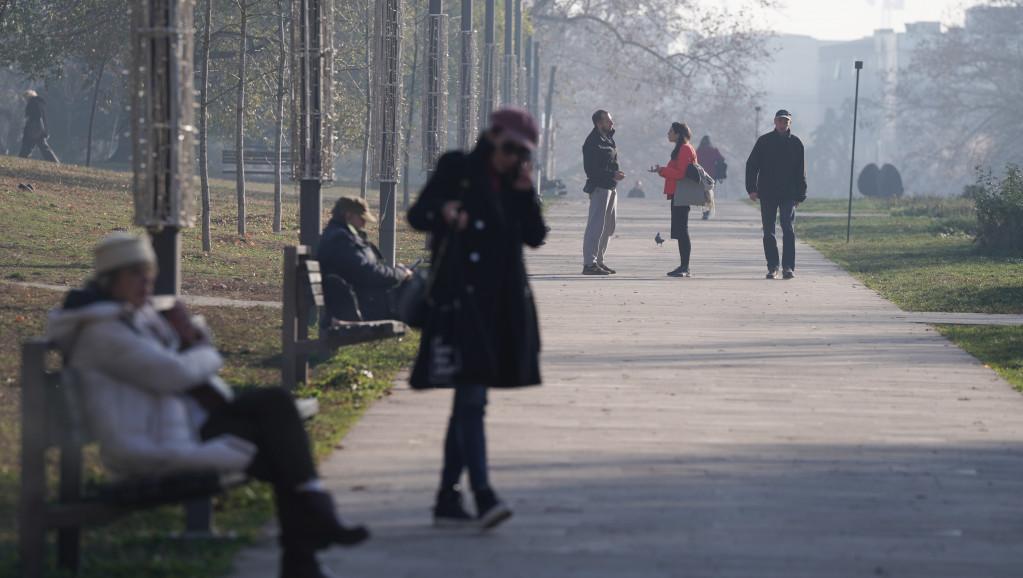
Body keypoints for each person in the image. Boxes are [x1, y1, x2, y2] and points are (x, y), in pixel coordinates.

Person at [47, 233, 367, 578]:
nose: (146, 281)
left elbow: (179, 360)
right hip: (152, 446)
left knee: (275, 406)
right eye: (134, 273)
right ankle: (308, 538)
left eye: (149, 272)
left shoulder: (132, 317)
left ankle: (309, 528)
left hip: (182, 426)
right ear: (109, 280)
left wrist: (191, 339)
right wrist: (205, 351)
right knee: (278, 445)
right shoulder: (103, 332)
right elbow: (173, 374)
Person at [407, 107, 545, 530]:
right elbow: (417, 215)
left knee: (466, 404)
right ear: (492, 135)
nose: (511, 158)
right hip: (460, 304)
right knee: (471, 400)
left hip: (502, 308)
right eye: (508, 148)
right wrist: (445, 211)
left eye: (521, 154)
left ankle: (447, 498)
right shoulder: (458, 168)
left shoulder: (514, 183)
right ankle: (483, 495)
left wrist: (525, 193)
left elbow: (535, 238)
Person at [316, 196, 413, 323]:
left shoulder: (339, 236)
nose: (364, 224)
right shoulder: (341, 240)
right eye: (362, 219)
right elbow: (368, 272)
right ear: (349, 216)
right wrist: (400, 273)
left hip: (365, 303)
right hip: (365, 309)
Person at [745, 109, 807, 280]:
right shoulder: (764, 142)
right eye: (780, 121)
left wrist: (801, 194)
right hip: (767, 193)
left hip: (788, 194)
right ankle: (773, 266)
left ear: (790, 123)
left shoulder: (796, 143)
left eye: (786, 121)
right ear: (774, 122)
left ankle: (788, 267)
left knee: (788, 227)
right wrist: (751, 188)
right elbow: (751, 166)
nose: (782, 124)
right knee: (769, 231)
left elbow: (801, 170)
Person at [649, 122, 697, 278]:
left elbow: (680, 173)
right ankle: (683, 266)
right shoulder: (682, 148)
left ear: (678, 134)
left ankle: (685, 267)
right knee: (680, 230)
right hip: (678, 193)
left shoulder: (684, 149)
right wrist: (661, 171)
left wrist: (663, 169)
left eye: (670, 131)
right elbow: (676, 172)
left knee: (683, 230)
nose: (668, 134)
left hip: (681, 194)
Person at [580, 109, 625, 275]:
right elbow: (591, 170)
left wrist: (616, 174)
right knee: (595, 226)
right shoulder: (592, 142)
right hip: (600, 188)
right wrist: (612, 174)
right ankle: (589, 264)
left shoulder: (608, 138)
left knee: (608, 227)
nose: (612, 123)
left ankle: (599, 261)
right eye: (608, 121)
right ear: (599, 124)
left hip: (612, 188)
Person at [18, 90, 60, 163]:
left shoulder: (33, 103)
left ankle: (55, 162)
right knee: (32, 147)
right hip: (40, 130)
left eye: (25, 98)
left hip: (34, 130)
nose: (25, 100)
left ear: (28, 97)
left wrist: (29, 117)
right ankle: (20, 159)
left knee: (32, 147)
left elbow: (38, 114)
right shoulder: (40, 103)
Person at [695, 135, 726, 219]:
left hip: (701, 175)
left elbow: (694, 160)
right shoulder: (714, 150)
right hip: (712, 175)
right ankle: (706, 212)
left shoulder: (699, 150)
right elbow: (722, 159)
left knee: (703, 193)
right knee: (709, 193)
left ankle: (705, 211)